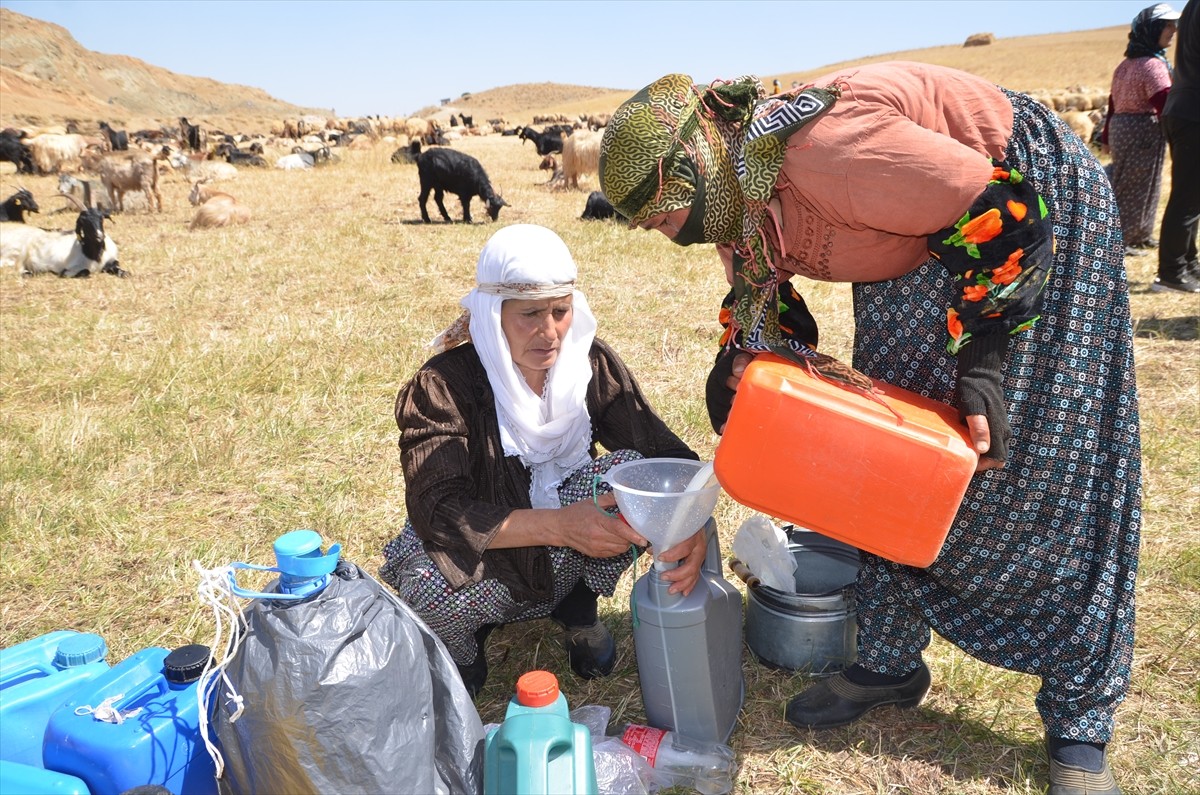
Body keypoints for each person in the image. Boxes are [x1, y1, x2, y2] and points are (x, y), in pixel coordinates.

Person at [599, 61, 1141, 795]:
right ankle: (889, 659)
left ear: (693, 172)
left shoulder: (826, 150)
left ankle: (1079, 719)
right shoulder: (738, 199)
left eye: (664, 218)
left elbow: (1003, 213)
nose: (671, 238)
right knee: (884, 451)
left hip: (1022, 210)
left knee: (1043, 460)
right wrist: (741, 370)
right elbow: (765, 306)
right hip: (918, 227)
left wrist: (983, 359)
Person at [379, 223, 708, 698]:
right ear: (493, 313)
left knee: (634, 475)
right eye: (529, 314)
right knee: (428, 585)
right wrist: (560, 527)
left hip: (570, 541)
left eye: (560, 311)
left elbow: (670, 459)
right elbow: (438, 510)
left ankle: (576, 606)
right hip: (493, 547)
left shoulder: (586, 365)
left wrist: (687, 524)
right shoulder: (444, 386)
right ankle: (463, 651)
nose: (549, 332)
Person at [1101, 3, 1181, 259]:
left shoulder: (1125, 65)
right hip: (1142, 130)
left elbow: (1113, 103)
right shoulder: (1153, 65)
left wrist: (1106, 136)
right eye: (1168, 25)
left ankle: (1141, 234)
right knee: (1134, 186)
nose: (1174, 30)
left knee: (1142, 183)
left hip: (1122, 129)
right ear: (1153, 29)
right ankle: (1123, 238)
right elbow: (1163, 101)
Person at [1157, 0, 1200, 292]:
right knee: (1187, 197)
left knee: (1192, 195)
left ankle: (1187, 262)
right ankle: (1172, 272)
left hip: (1183, 106)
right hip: (1194, 110)